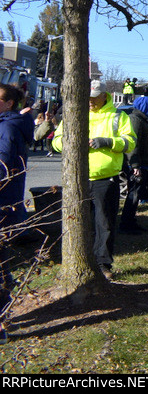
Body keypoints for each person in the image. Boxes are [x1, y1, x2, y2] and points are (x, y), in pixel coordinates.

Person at [52, 80, 136, 279]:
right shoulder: (74, 114)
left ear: (103, 95)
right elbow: (56, 141)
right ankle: (75, 262)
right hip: (77, 179)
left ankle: (103, 264)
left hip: (105, 179)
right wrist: (71, 143)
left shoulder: (118, 116)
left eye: (94, 97)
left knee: (104, 223)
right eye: (87, 97)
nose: (90, 101)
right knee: (76, 223)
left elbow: (130, 142)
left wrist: (107, 142)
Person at [0, 83, 32, 341]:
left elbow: (3, 167)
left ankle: (1, 322)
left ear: (9, 103)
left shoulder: (8, 127)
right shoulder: (10, 124)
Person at [120, 95, 148, 234]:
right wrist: (135, 165)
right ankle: (126, 224)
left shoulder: (143, 120)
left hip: (143, 164)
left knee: (137, 194)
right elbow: (132, 145)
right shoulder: (135, 120)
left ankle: (130, 221)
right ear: (145, 107)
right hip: (135, 166)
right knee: (133, 194)